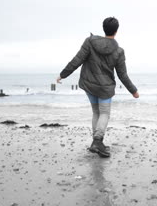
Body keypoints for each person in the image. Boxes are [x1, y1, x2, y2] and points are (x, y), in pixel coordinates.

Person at [56, 17, 139, 158]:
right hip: (105, 88)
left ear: (103, 28)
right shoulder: (119, 51)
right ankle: (97, 141)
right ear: (116, 31)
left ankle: (96, 143)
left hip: (89, 84)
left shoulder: (90, 42)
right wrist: (134, 91)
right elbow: (122, 75)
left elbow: (77, 60)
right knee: (104, 113)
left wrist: (62, 75)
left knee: (96, 113)